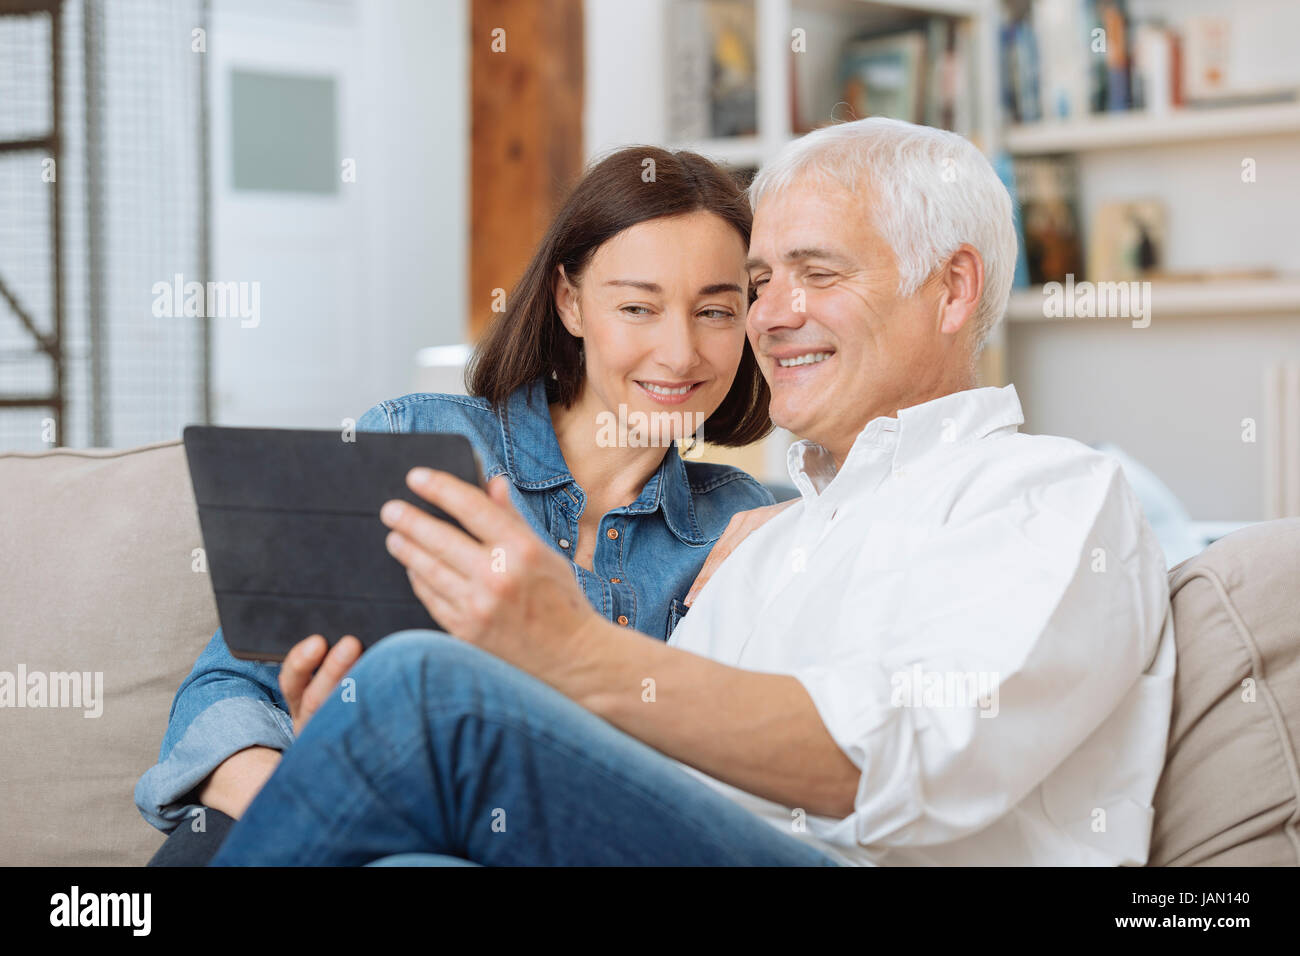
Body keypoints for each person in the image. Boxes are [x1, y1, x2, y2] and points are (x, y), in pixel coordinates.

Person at [208, 117, 1176, 867]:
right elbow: (632, 778)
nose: (770, 316)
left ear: (953, 288)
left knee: (423, 683)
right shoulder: (767, 535)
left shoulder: (1048, 492)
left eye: (815, 273)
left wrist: (571, 648)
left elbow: (894, 763)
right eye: (758, 283)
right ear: (569, 303)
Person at [136, 146, 788, 864]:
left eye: (716, 311)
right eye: (638, 306)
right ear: (570, 302)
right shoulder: (419, 440)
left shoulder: (740, 528)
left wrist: (811, 525)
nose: (680, 352)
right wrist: (314, 788)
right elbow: (231, 683)